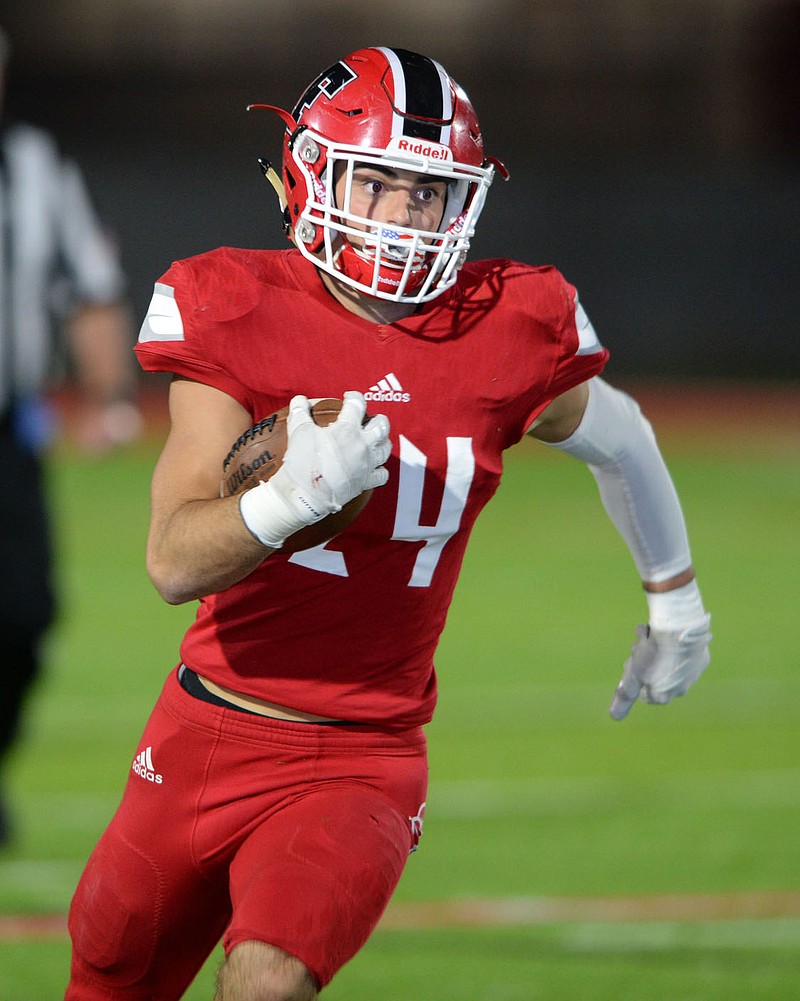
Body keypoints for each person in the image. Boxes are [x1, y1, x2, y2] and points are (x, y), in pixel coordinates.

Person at [65, 46, 712, 1001]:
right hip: (206, 724)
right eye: (380, 184)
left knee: (266, 980)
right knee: (107, 973)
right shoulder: (234, 305)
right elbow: (172, 559)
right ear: (311, 176)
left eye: (429, 193)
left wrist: (677, 598)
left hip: (363, 757)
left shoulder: (503, 323)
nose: (408, 219)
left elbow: (624, 439)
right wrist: (287, 500)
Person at [0, 26, 140, 848]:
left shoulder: (36, 169)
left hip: (6, 432)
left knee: (25, 610)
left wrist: (110, 394)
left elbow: (89, 287)